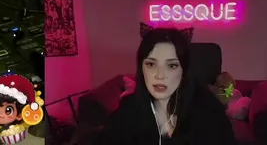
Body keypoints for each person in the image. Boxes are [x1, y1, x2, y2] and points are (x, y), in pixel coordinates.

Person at [92, 27, 235, 144]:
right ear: (142, 69)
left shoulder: (209, 111)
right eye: (151, 64)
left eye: (172, 65)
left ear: (184, 71)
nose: (160, 75)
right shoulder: (128, 110)